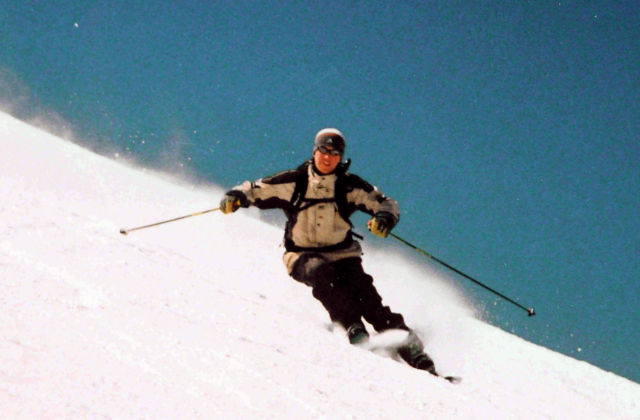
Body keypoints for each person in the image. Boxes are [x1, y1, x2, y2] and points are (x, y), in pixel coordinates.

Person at [219, 128, 436, 373]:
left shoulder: (348, 186)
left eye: (334, 153)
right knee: (321, 275)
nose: (327, 156)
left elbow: (385, 203)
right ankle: (353, 326)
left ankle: (414, 352)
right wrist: (236, 196)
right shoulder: (295, 181)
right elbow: (257, 188)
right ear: (315, 151)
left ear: (340, 157)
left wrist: (383, 219)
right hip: (301, 254)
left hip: (343, 254)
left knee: (368, 299)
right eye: (323, 150)